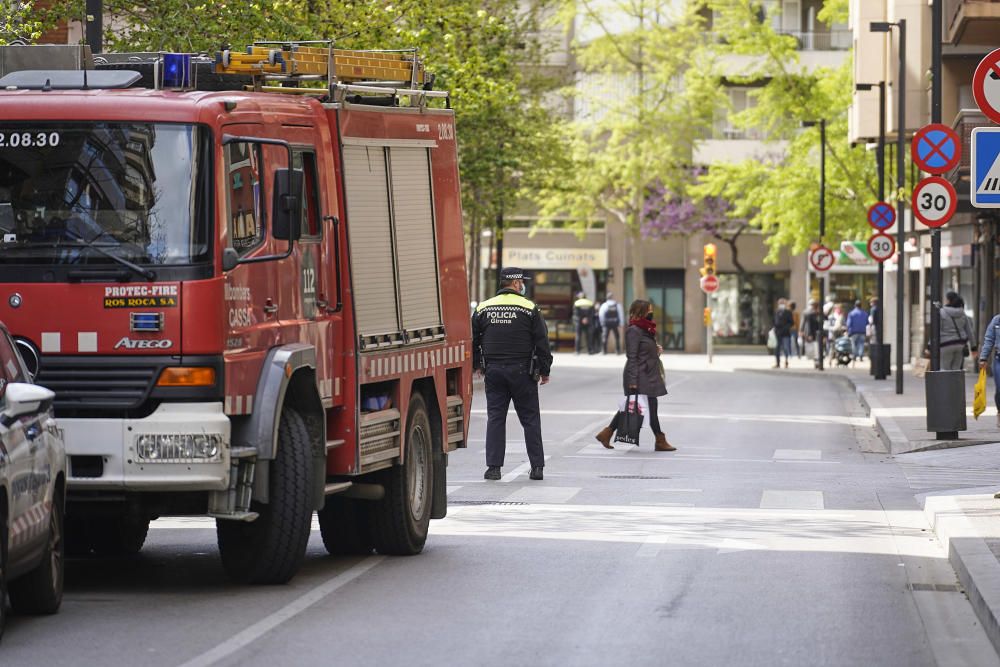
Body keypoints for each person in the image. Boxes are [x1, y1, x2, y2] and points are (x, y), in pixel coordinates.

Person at [473, 267, 553, 481]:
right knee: (530, 420)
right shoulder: (529, 307)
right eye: (522, 282)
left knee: (496, 419)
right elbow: (542, 341)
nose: (523, 285)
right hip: (522, 372)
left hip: (494, 371)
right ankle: (537, 468)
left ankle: (493, 468)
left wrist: (477, 365)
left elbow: (473, 339)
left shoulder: (483, 307)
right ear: (516, 283)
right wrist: (545, 370)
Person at [593, 299, 676, 451]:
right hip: (638, 376)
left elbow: (644, 351)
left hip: (648, 375)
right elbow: (631, 357)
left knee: (633, 407)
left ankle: (607, 433)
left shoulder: (646, 329)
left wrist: (654, 350)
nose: (651, 313)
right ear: (641, 312)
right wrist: (632, 381)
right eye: (649, 310)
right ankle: (659, 440)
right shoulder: (634, 330)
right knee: (648, 407)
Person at [940, 291, 975, 371]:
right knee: (956, 369)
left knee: (945, 369)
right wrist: (974, 347)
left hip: (946, 344)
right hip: (960, 344)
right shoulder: (962, 313)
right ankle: (955, 383)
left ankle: (946, 384)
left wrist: (929, 346)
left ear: (949, 300)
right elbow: (969, 331)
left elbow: (938, 330)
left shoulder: (942, 312)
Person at [979, 314, 1000, 427]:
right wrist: (983, 357)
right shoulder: (997, 320)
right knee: (999, 388)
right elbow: (989, 339)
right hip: (999, 359)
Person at [801, 299, 824, 366]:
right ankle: (816, 361)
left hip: (818, 333)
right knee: (815, 348)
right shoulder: (809, 313)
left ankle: (818, 361)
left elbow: (823, 324)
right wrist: (808, 334)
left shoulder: (820, 314)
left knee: (818, 348)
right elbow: (808, 325)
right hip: (813, 334)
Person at [846, 300, 869, 364]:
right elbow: (867, 323)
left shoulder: (851, 313)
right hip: (862, 331)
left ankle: (854, 356)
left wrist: (848, 330)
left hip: (854, 332)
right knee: (861, 344)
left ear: (855, 305)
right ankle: (861, 355)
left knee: (854, 344)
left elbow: (848, 323)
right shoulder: (865, 313)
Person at [773, 298, 793, 368]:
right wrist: (775, 329)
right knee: (777, 348)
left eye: (783, 303)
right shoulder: (777, 312)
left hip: (785, 333)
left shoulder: (788, 312)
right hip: (778, 333)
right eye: (780, 303)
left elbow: (791, 323)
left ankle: (786, 361)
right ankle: (777, 363)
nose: (781, 304)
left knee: (785, 348)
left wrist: (785, 328)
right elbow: (774, 322)